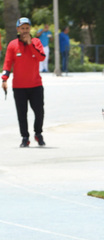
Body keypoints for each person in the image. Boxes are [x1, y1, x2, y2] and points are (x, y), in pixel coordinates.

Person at [3, 17, 47, 148]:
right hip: (19, 87)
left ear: (30, 29)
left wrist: (30, 44)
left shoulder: (36, 42)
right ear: (18, 29)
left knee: (39, 112)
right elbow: (7, 63)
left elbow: (41, 57)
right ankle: (25, 137)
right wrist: (4, 79)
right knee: (22, 114)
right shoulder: (12, 45)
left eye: (27, 28)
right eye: (22, 28)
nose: (25, 31)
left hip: (36, 85)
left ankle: (38, 134)